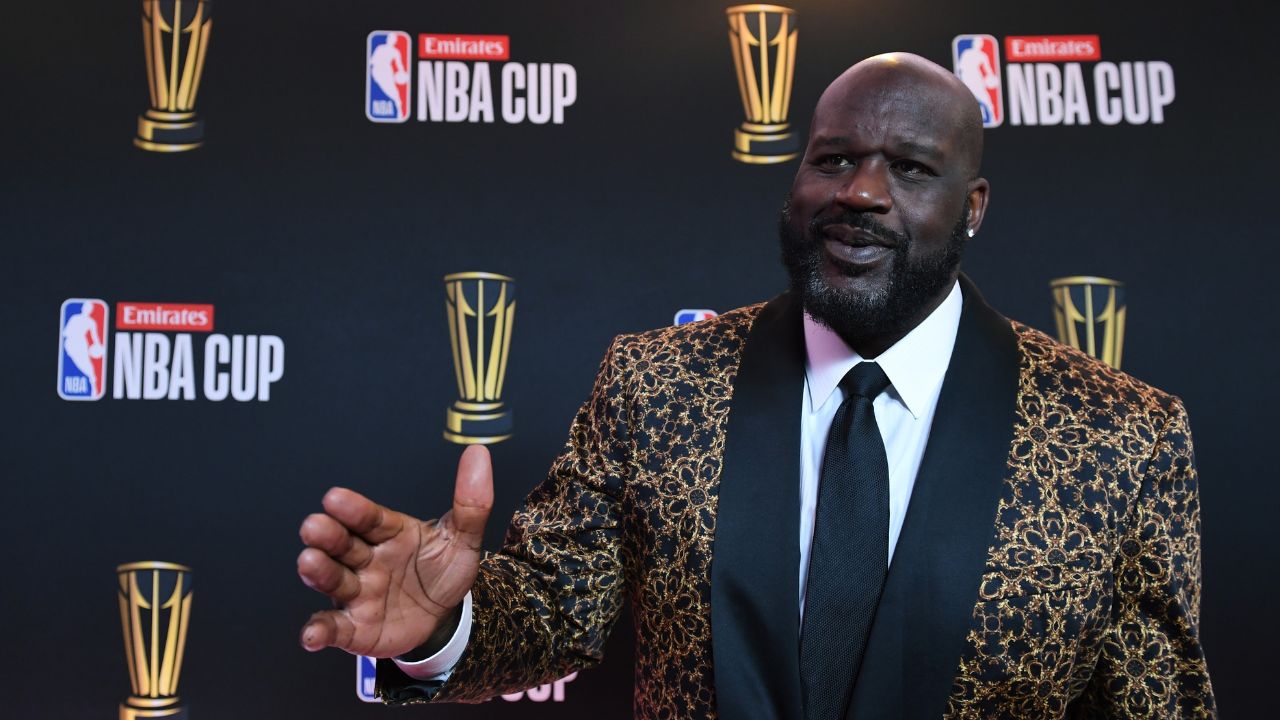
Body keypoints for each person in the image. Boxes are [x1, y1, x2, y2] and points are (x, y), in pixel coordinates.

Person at [297, 53, 1215, 719]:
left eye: (909, 167)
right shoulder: (657, 383)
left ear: (972, 206)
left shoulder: (1117, 435)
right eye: (834, 158)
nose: (860, 191)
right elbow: (550, 615)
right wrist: (441, 626)